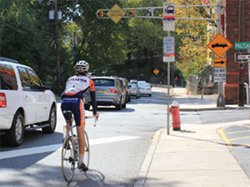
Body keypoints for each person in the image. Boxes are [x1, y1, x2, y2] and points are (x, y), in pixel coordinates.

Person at [61, 60, 98, 171]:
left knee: (68, 122)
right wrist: (95, 112)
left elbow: (67, 91)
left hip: (64, 102)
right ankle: (81, 162)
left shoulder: (69, 79)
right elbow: (93, 98)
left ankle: (66, 136)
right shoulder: (89, 81)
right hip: (77, 102)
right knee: (80, 131)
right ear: (87, 70)